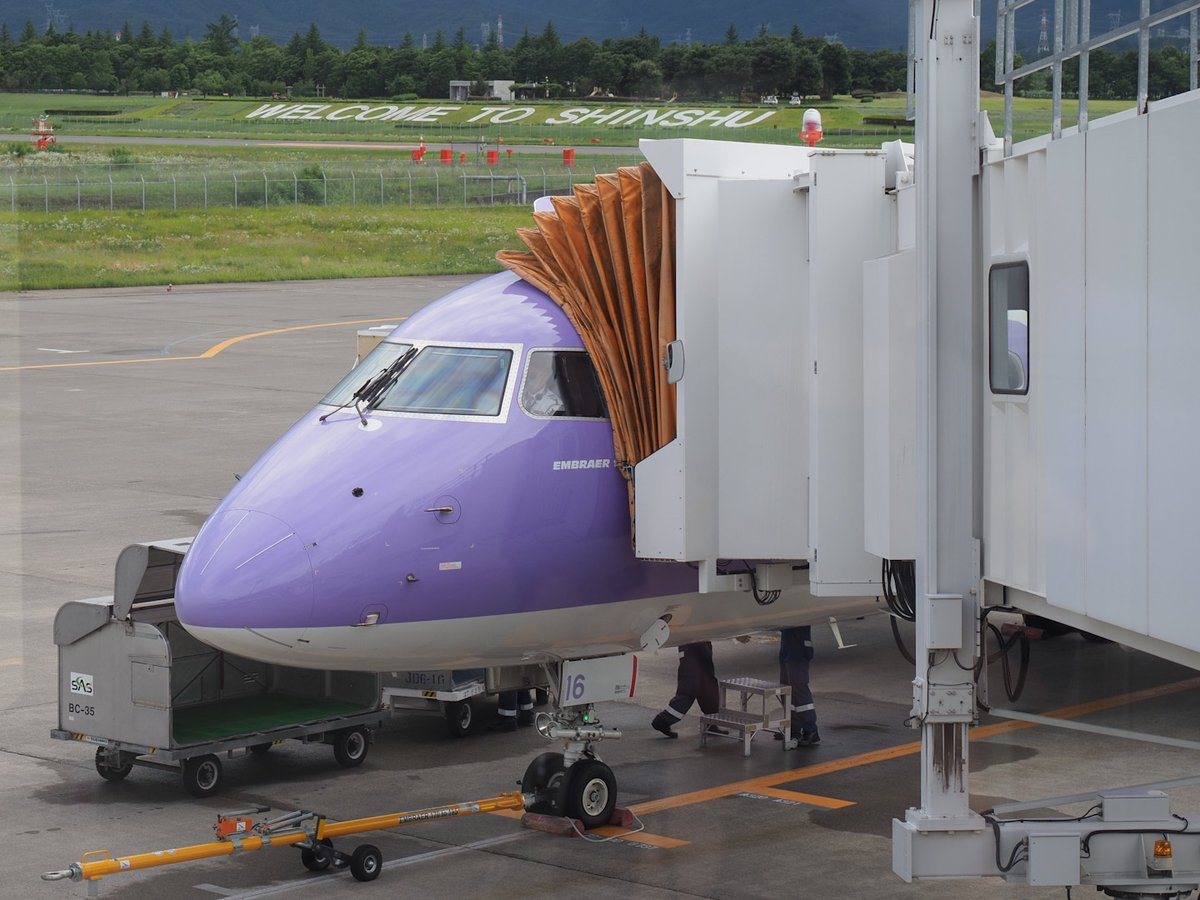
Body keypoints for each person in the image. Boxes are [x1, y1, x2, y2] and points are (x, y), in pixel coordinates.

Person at [651, 642, 727, 738]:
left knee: (708, 687)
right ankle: (662, 721)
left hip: (701, 644)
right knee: (689, 688)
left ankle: (711, 723)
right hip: (691, 645)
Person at [778, 626, 819, 746]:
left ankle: (810, 730)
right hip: (788, 642)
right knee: (786, 689)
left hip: (798, 645)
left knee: (798, 689)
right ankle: (793, 729)